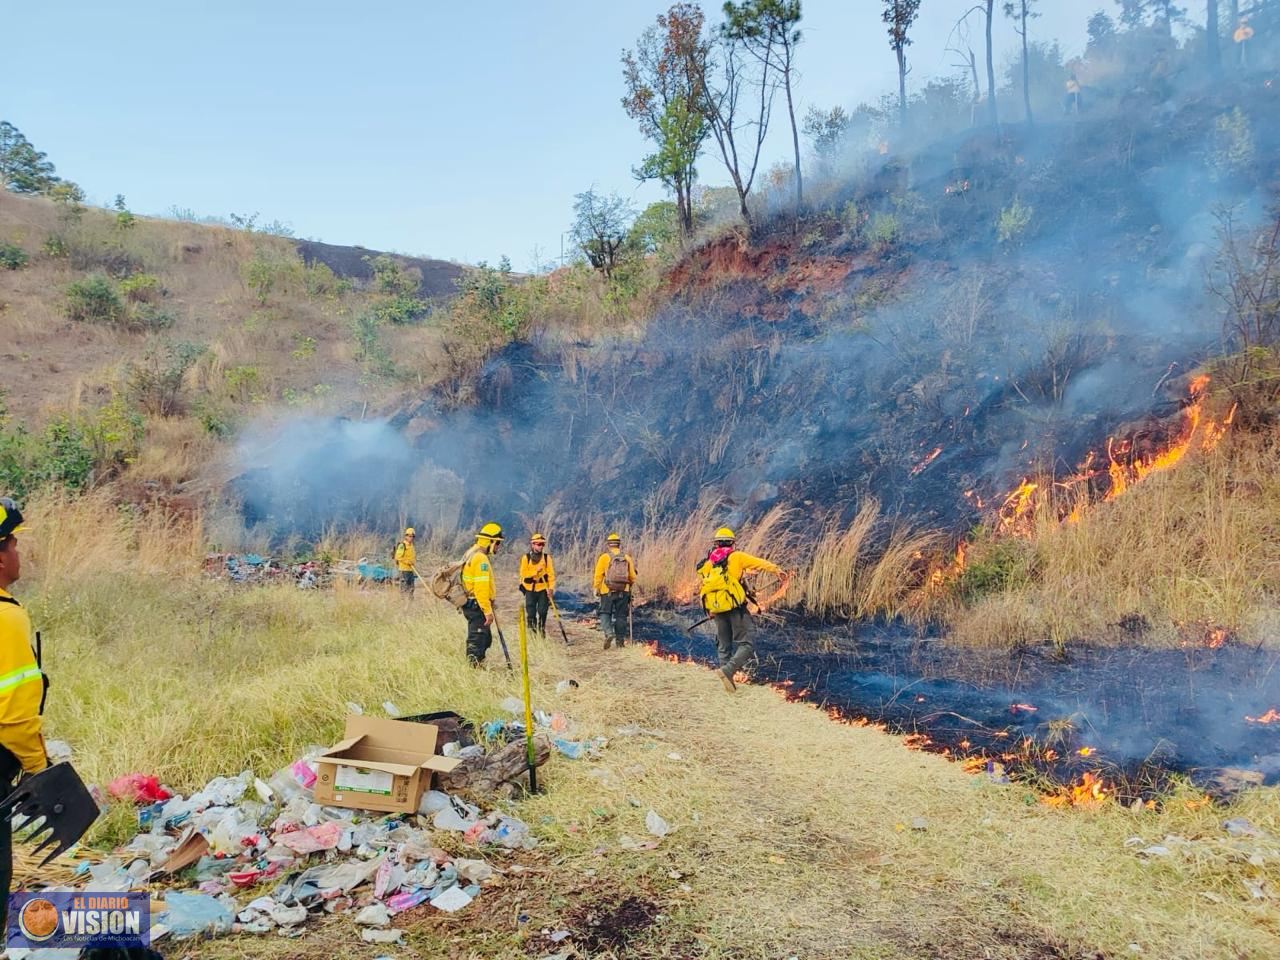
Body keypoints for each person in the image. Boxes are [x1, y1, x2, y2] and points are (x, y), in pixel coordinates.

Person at [0, 498, 47, 927]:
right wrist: (38, 768)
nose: (18, 553)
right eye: (12, 543)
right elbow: (13, 713)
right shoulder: (6, 618)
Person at [696, 526, 786, 694]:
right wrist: (777, 570)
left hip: (716, 609)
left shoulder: (708, 563)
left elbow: (705, 585)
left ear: (715, 544)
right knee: (748, 642)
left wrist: (711, 609)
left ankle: (727, 683)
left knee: (724, 645)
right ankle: (728, 671)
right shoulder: (737, 556)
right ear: (733, 543)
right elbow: (759, 562)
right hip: (735, 608)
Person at [460, 522, 504, 665]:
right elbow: (481, 588)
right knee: (477, 638)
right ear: (490, 541)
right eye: (497, 543)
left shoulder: (471, 552)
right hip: (477, 605)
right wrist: (487, 611)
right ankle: (473, 668)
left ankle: (479, 664)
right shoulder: (480, 559)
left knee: (485, 638)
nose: (498, 546)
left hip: (471, 602)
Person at [592, 532, 636, 649]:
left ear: (608, 545)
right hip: (624, 591)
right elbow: (633, 577)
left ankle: (609, 633)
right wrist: (628, 585)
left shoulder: (604, 557)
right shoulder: (627, 558)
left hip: (607, 591)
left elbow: (598, 575)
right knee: (621, 616)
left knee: (605, 612)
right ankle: (620, 642)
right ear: (619, 544)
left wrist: (596, 588)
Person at [518, 533, 556, 638]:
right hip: (529, 589)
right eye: (539, 544)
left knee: (543, 611)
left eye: (542, 544)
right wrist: (535, 571)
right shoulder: (526, 558)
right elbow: (523, 574)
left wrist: (551, 588)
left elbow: (551, 575)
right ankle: (532, 633)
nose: (541, 546)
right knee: (531, 612)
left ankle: (541, 629)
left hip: (543, 588)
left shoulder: (547, 558)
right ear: (533, 545)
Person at [392, 527, 417, 596]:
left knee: (411, 588)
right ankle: (403, 602)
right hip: (403, 570)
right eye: (409, 536)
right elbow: (398, 557)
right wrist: (407, 562)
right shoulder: (402, 546)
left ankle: (410, 602)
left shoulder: (411, 546)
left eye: (412, 537)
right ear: (406, 536)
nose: (411, 538)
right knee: (404, 587)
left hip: (410, 570)